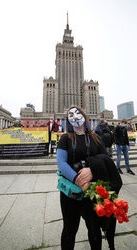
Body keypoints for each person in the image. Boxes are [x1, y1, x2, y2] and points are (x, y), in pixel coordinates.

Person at [57, 105, 122, 250]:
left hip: (92, 193)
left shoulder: (95, 137)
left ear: (84, 116)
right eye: (71, 115)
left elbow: (106, 159)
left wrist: (92, 169)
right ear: (68, 120)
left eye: (78, 114)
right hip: (71, 194)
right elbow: (61, 163)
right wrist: (77, 179)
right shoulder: (65, 138)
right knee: (69, 230)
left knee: (94, 230)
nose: (75, 117)